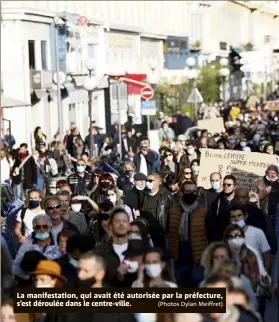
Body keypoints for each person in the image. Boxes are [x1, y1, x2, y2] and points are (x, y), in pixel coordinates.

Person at [223, 224, 271, 320]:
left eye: (239, 235)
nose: (236, 239)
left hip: (250, 298)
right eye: (232, 236)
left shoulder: (251, 253)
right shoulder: (220, 254)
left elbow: (259, 275)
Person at [168, 180, 208, 287]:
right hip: (179, 259)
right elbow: (168, 232)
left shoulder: (203, 211)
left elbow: (209, 234)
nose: (192, 194)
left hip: (197, 260)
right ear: (182, 193)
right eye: (188, 191)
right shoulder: (173, 210)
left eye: (194, 191)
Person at [200, 241, 258, 311]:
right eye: (216, 257)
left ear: (230, 259)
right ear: (211, 261)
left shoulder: (241, 281)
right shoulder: (205, 284)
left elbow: (253, 306)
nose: (220, 261)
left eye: (222, 257)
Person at [228, 202, 272, 275]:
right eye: (233, 216)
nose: (236, 219)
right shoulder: (227, 235)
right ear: (229, 219)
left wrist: (264, 277)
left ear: (245, 216)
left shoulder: (257, 232)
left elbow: (267, 258)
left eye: (239, 215)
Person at [13, 214, 61, 279]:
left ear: (50, 228)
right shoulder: (27, 245)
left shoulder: (58, 244)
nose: (41, 229)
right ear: (34, 229)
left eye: (45, 226)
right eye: (38, 227)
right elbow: (15, 267)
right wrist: (30, 278)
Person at [95, 207, 130, 286]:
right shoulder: (100, 251)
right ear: (110, 225)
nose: (121, 224)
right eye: (117, 221)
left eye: (124, 221)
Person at [140, 172, 173, 250]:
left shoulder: (167, 195)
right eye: (146, 180)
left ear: (158, 183)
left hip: (161, 233)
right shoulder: (143, 195)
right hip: (146, 233)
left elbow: (172, 214)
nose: (147, 182)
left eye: (150, 181)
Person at [206, 175, 237, 242]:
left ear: (234, 186)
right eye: (224, 184)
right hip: (219, 238)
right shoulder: (217, 200)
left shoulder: (238, 200)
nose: (226, 187)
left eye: (229, 185)